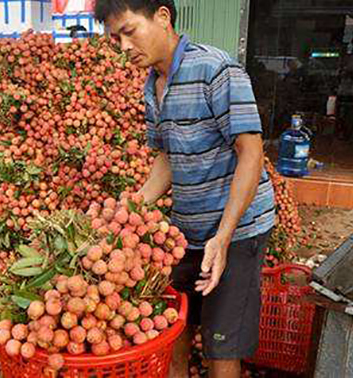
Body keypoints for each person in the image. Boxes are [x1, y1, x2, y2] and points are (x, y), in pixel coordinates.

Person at [94, 2, 275, 378]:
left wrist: (223, 238)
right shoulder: (152, 84)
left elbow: (251, 153)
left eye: (129, 31)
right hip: (187, 230)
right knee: (173, 329)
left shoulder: (216, 69)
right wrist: (132, 207)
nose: (123, 47)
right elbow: (167, 157)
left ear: (162, 17)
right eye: (115, 39)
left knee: (220, 345)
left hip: (238, 231)